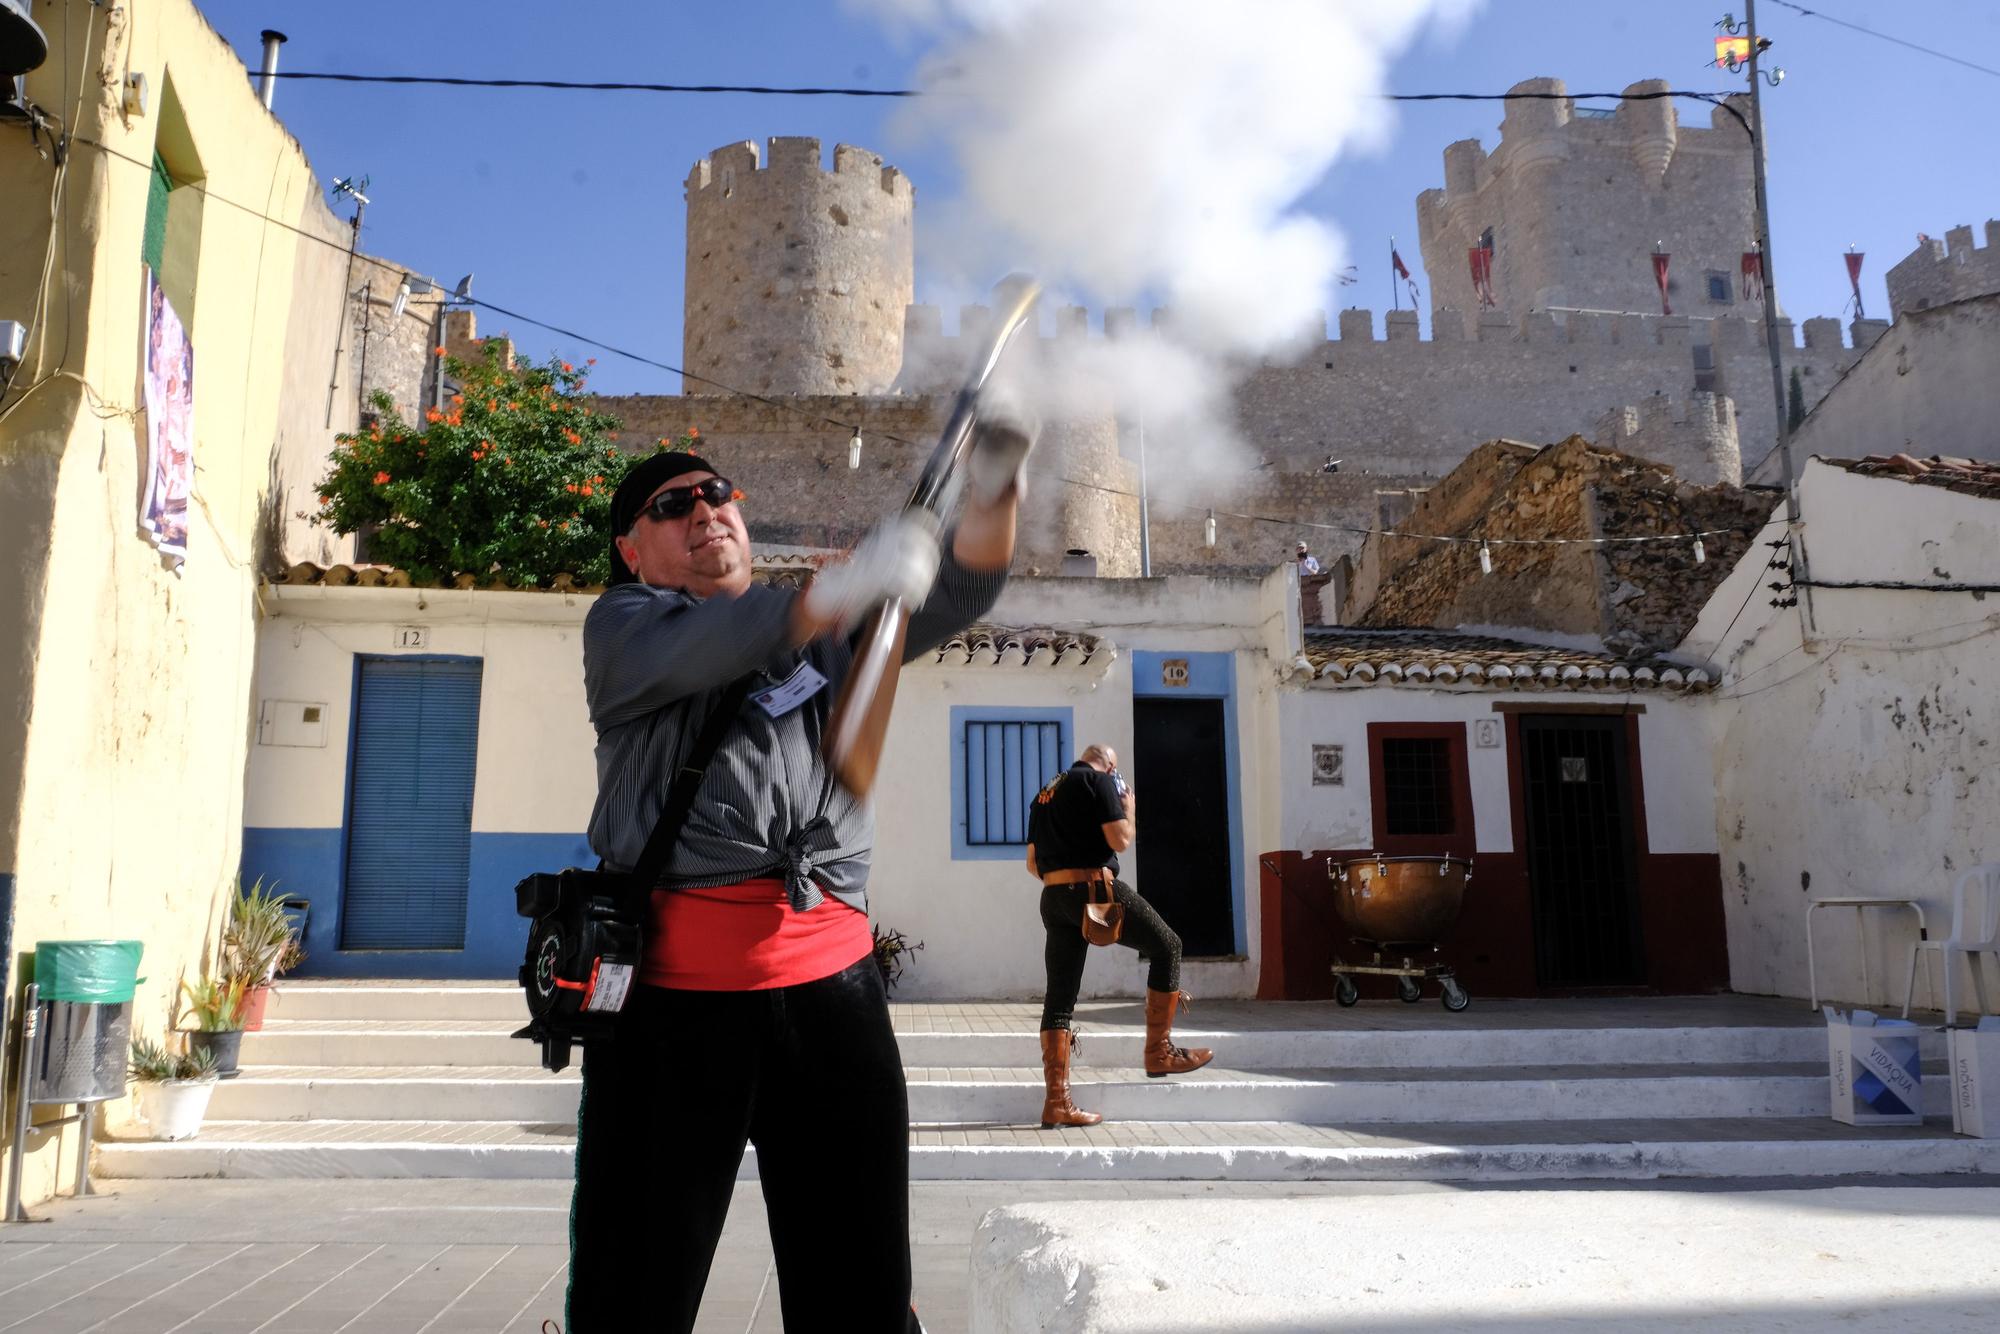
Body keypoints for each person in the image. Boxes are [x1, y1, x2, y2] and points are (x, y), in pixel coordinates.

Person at [567, 412, 1034, 1332]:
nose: (705, 511)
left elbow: (967, 590)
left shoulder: (816, 629)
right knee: (633, 1292)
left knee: (859, 1291)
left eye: (716, 494)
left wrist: (995, 485)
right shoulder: (623, 627)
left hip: (835, 1003)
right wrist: (850, 583)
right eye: (672, 505)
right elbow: (722, 639)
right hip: (673, 1008)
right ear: (632, 548)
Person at [1025, 743, 1214, 1129]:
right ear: (1110, 765)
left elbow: (1032, 864)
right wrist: (1128, 807)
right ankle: (1158, 1052)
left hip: (1053, 896)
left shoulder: (1046, 792)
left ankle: (1056, 1103)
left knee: (1059, 999)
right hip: (1094, 890)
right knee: (1168, 946)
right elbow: (1120, 841)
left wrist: (1064, 882)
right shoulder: (1100, 782)